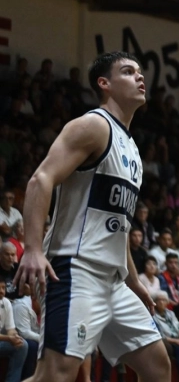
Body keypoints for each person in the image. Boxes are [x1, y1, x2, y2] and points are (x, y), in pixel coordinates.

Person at [13, 52, 170, 381]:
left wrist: (134, 280)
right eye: (128, 72)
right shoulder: (93, 126)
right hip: (76, 269)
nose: (140, 77)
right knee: (55, 375)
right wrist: (32, 248)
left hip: (113, 280)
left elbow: (118, 225)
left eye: (141, 72)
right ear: (105, 84)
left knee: (157, 368)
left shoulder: (133, 150)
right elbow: (40, 180)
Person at [0, 279, 27, 382]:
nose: (2, 291)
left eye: (3, 288)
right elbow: (8, 336)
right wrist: (8, 338)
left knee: (22, 345)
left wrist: (15, 337)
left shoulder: (6, 302)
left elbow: (11, 329)